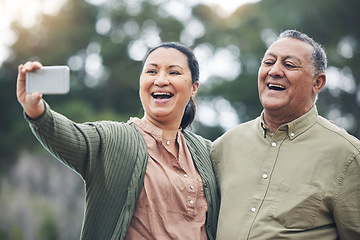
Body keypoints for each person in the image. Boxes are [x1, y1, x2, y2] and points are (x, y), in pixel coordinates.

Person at [17, 42, 219, 240]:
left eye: (173, 72)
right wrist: (35, 109)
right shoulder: (114, 139)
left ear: (194, 88)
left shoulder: (207, 152)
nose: (160, 80)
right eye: (151, 71)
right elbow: (69, 135)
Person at [211, 29, 360, 239]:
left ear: (317, 83)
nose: (275, 71)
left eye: (289, 65)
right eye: (268, 62)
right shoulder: (224, 146)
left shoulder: (347, 155)